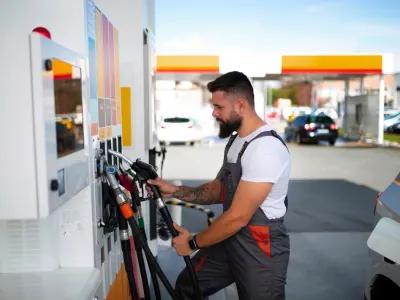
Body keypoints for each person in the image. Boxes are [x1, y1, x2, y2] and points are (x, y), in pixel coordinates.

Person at [148, 71, 291, 300]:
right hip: (231, 239)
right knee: (188, 286)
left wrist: (192, 242)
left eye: (219, 107)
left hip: (260, 248)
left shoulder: (265, 148)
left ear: (241, 105)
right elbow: (219, 189)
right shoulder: (237, 141)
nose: (214, 113)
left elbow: (238, 217)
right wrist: (175, 190)